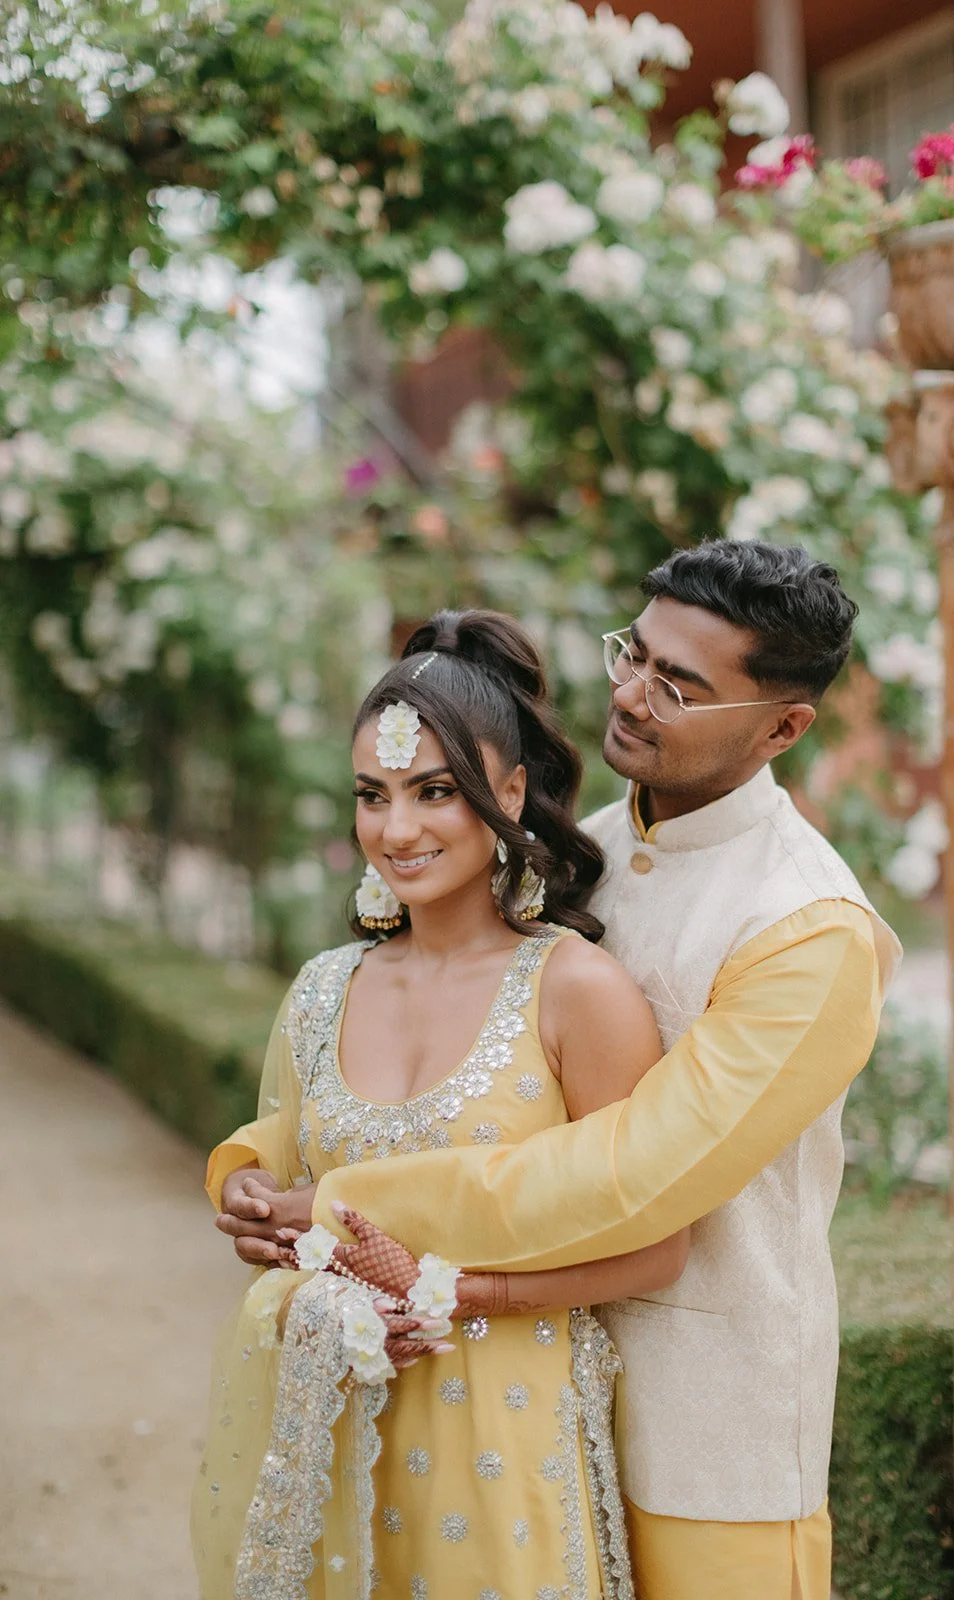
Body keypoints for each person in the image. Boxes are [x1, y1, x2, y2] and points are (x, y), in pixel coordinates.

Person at [220, 539, 902, 1600]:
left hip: (699, 1429)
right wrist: (254, 1170)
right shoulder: (576, 857)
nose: (629, 693)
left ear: (782, 727)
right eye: (634, 654)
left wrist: (353, 1208)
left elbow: (634, 1168)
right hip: (511, 1409)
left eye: (677, 685)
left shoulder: (806, 930)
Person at [193, 610, 689, 1599]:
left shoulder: (575, 992)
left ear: (509, 792)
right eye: (371, 796)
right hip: (339, 1434)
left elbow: (655, 1245)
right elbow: (301, 1179)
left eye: (435, 791)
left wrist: (473, 1293)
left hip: (507, 1438)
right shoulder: (324, 989)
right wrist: (250, 1193)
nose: (397, 830)